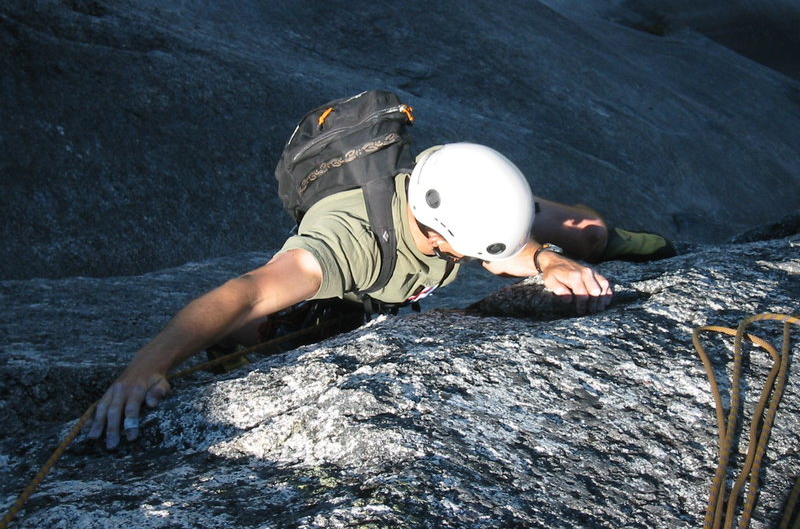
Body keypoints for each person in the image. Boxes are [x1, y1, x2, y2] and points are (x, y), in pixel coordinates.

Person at [88, 142, 674, 449]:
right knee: (259, 330)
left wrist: (548, 258)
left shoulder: (459, 191)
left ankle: (651, 243)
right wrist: (144, 369)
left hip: (467, 203)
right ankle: (241, 353)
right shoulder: (349, 246)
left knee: (590, 235)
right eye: (466, 252)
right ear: (439, 236)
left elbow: (504, 250)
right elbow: (242, 295)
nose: (477, 261)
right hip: (347, 281)